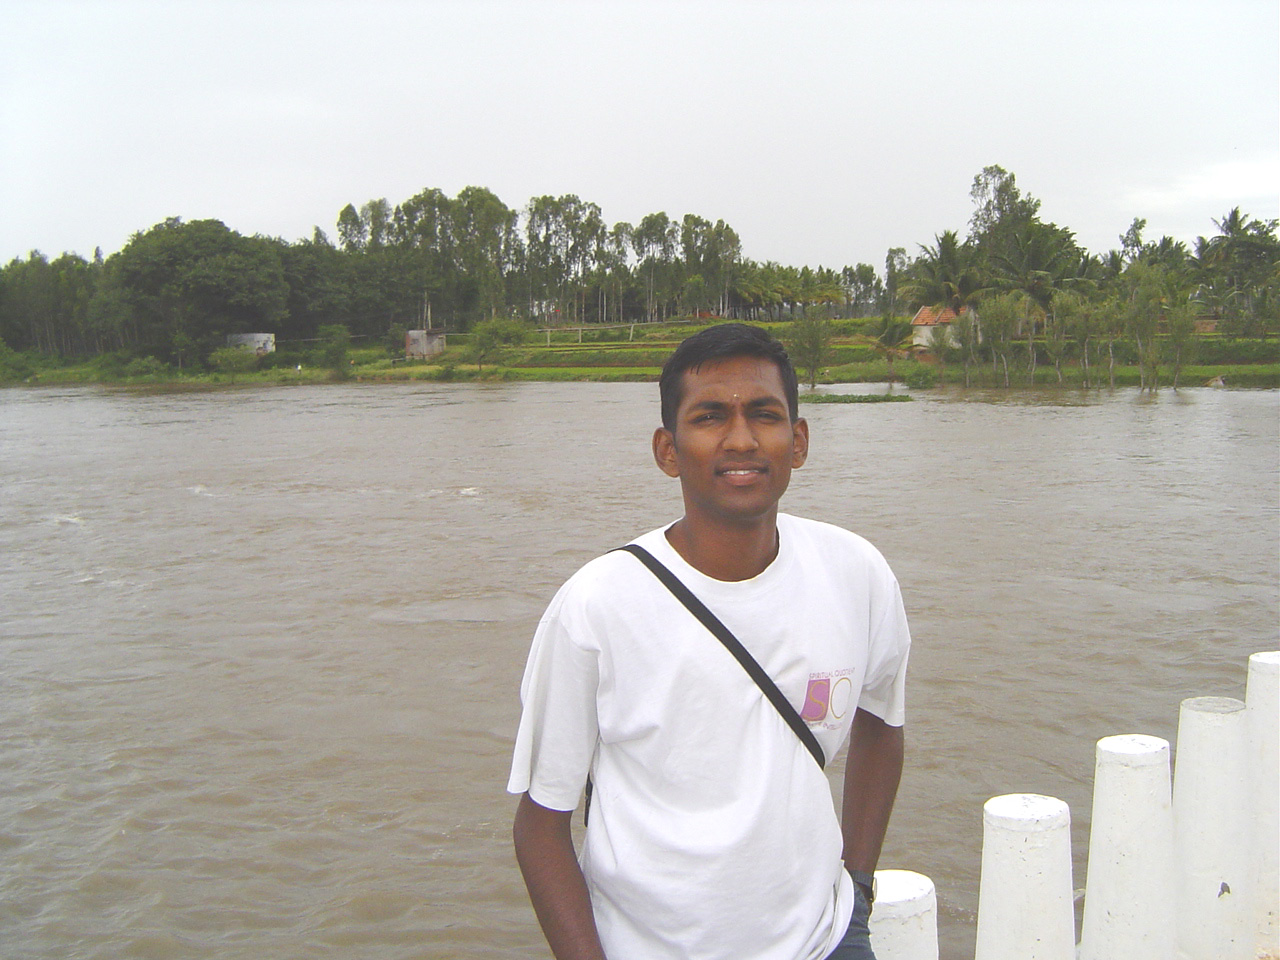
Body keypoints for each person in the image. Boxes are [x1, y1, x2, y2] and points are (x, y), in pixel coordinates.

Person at [508, 322, 911, 960]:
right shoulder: (596, 608)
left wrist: (856, 892)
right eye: (710, 417)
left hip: (825, 941)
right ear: (668, 450)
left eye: (765, 414)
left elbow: (882, 726)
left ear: (798, 440)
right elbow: (541, 824)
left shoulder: (856, 575)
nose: (742, 439)